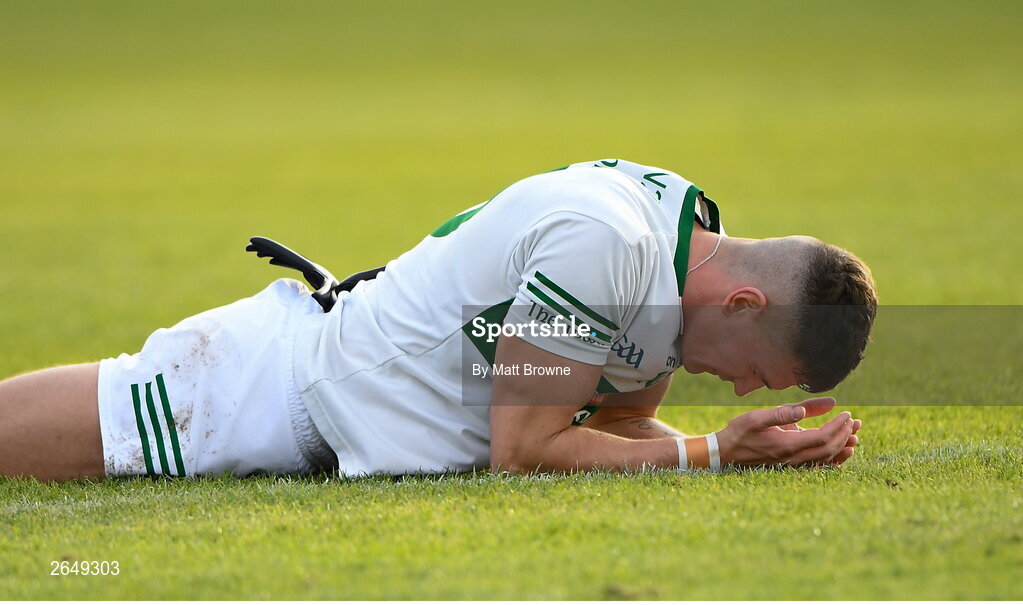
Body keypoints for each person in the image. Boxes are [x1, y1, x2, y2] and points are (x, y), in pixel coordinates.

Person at [0, 159, 875, 482]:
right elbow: (524, 448)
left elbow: (619, 422)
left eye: (763, 392)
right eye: (762, 370)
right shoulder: (608, 246)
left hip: (333, 406)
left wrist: (740, 450)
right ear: (743, 302)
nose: (742, 384)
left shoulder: (679, 252)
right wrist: (715, 451)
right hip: (281, 387)